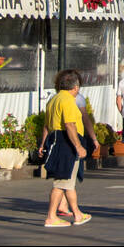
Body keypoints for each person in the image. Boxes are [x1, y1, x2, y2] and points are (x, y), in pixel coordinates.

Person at [42, 69, 90, 228]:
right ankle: (51, 216)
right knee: (61, 182)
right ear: (75, 87)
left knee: (68, 182)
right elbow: (70, 125)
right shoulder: (68, 101)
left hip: (56, 139)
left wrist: (43, 144)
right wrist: (78, 146)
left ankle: (77, 214)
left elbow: (47, 126)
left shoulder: (53, 99)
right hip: (67, 142)